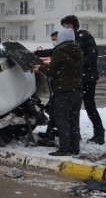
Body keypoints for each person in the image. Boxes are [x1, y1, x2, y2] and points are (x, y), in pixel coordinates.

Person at [33, 28, 83, 156]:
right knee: (74, 121)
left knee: (62, 121)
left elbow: (51, 70)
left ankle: (64, 149)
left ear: (62, 38)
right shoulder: (78, 50)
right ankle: (74, 148)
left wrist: (40, 68)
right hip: (77, 91)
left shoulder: (60, 51)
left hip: (63, 91)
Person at [61, 14, 105, 144]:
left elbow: (93, 54)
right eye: (64, 26)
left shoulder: (83, 35)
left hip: (88, 78)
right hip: (80, 78)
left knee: (89, 106)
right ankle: (76, 134)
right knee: (75, 107)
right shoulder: (71, 39)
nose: (66, 28)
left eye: (67, 25)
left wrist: (78, 65)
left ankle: (99, 133)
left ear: (73, 25)